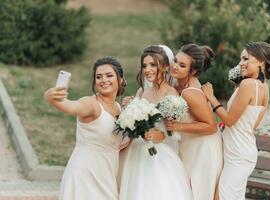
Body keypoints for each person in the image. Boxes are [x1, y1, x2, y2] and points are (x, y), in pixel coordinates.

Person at [202, 41, 270, 200]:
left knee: (220, 197)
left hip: (238, 155)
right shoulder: (264, 87)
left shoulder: (248, 84)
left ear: (260, 61)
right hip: (243, 150)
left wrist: (210, 96)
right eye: (241, 59)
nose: (240, 63)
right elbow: (253, 124)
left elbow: (230, 120)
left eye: (245, 59)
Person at [44, 57, 126, 200]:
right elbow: (71, 106)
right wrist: (50, 97)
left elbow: (116, 144)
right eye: (98, 77)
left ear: (120, 80)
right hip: (86, 173)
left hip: (107, 174)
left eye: (109, 75)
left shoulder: (119, 108)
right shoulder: (90, 104)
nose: (103, 80)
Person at [119, 45, 193, 200]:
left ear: (166, 67)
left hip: (158, 154)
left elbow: (171, 133)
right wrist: (128, 108)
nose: (148, 70)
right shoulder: (142, 91)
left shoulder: (171, 95)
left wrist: (152, 135)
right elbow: (135, 119)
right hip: (137, 151)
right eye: (145, 65)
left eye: (153, 65)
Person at [165, 43, 223, 200]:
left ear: (193, 71)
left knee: (199, 193)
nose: (175, 66)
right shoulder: (177, 83)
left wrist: (178, 126)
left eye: (182, 65)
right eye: (175, 61)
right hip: (190, 146)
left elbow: (211, 126)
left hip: (203, 150)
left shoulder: (191, 93)